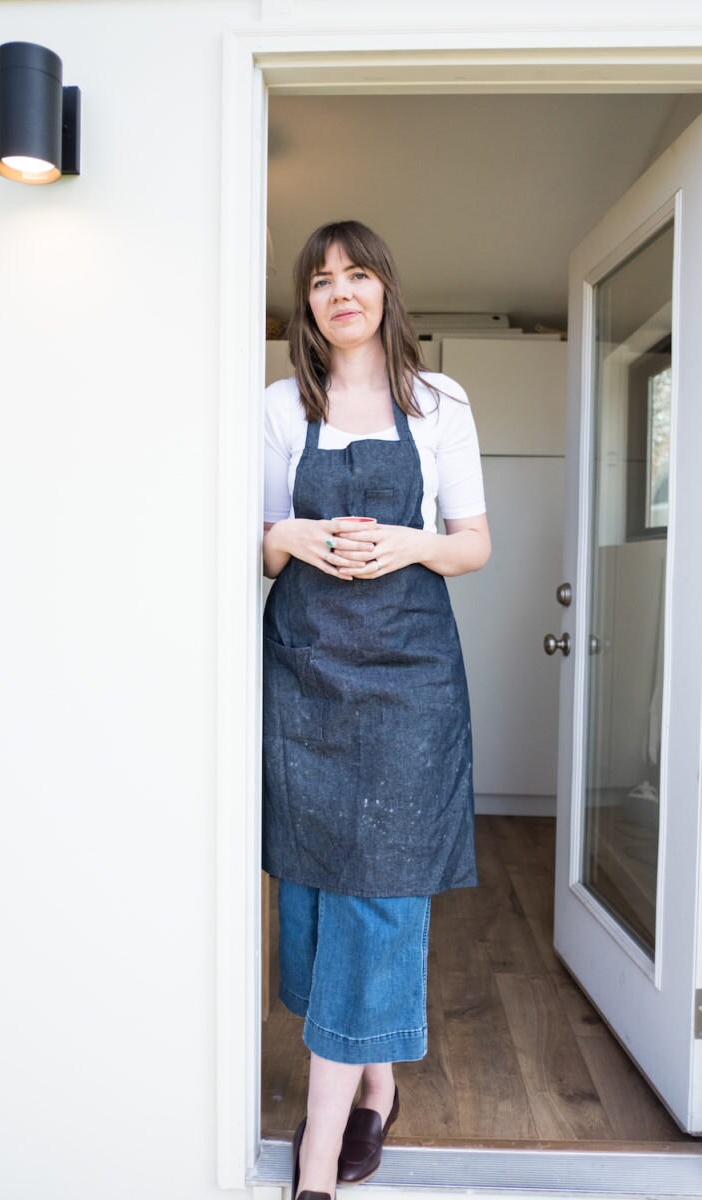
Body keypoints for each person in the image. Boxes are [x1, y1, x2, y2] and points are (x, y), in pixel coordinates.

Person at [262, 220, 491, 1200]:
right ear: (306, 305)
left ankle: (316, 1158)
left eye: (356, 275)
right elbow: (254, 541)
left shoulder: (437, 403)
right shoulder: (278, 408)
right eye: (320, 281)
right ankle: (376, 1081)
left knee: (377, 892)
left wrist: (406, 544)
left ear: (386, 291)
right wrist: (294, 534)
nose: (339, 292)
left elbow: (472, 542)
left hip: (406, 683)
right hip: (307, 678)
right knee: (315, 892)